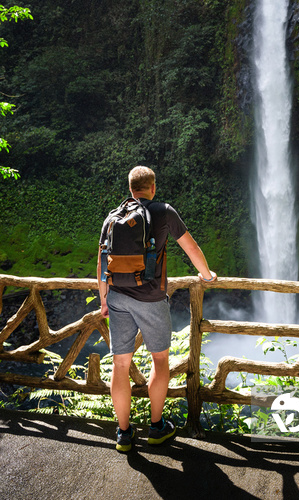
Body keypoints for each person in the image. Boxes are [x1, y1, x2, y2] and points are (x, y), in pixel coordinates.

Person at [97, 165, 217, 452]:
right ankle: (156, 427)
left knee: (120, 364)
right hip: (150, 297)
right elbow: (190, 247)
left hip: (117, 297)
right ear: (153, 187)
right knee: (160, 360)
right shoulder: (163, 211)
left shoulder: (112, 217)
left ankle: (124, 434)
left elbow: (102, 263)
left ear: (130, 189)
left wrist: (104, 299)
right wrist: (207, 275)